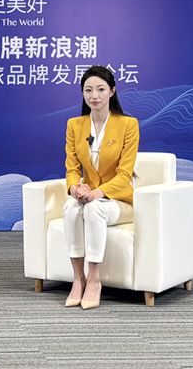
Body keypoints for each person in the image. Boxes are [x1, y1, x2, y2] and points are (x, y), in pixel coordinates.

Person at [62, 65, 139, 310]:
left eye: (100, 89)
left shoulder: (128, 125)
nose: (94, 95)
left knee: (94, 208)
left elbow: (125, 174)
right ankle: (78, 279)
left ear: (112, 91)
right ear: (82, 93)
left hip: (119, 201)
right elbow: (72, 169)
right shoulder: (74, 125)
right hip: (87, 196)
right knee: (70, 208)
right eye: (88, 90)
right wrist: (75, 189)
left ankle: (94, 280)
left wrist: (97, 192)